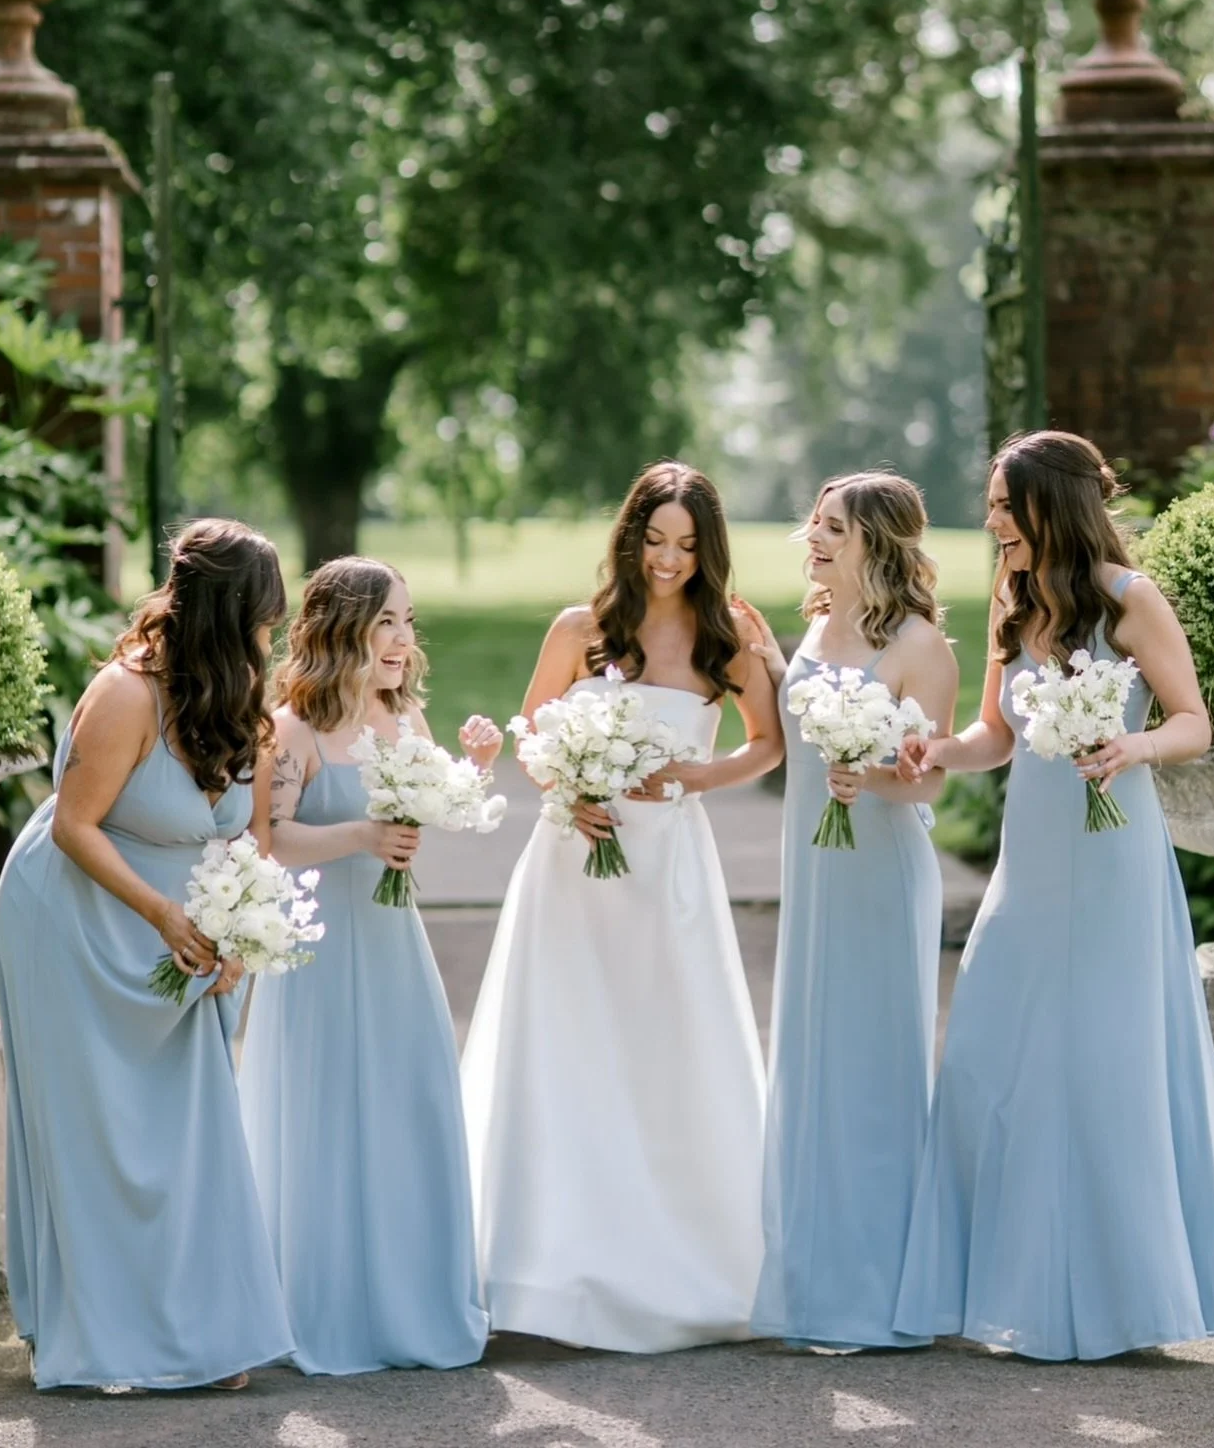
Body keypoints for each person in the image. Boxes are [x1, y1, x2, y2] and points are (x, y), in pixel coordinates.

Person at [893, 430, 1214, 1360]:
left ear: (1050, 507)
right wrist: (940, 751)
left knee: (1107, 1063)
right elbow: (995, 735)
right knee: (991, 1047)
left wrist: (1131, 746)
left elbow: (1192, 723)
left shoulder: (1128, 601)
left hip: (1113, 859)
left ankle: (1126, 1305)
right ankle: (1002, 1289)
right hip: (1033, 860)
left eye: (1003, 506)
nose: (990, 523)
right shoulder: (1013, 606)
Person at [462, 460, 783, 1352]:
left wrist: (694, 777)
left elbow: (766, 746)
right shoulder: (584, 628)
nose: (669, 560)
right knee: (567, 1044)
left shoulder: (731, 636)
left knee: (665, 1044)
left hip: (669, 871)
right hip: (574, 859)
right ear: (629, 536)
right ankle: (545, 1270)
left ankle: (682, 1258)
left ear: (708, 550)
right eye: (655, 540)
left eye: (686, 545)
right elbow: (530, 735)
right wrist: (570, 783)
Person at [0, 518, 294, 1391]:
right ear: (222, 613)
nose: (270, 638)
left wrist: (238, 932)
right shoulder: (126, 694)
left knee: (189, 1129)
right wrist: (166, 914)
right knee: (101, 1132)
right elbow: (76, 825)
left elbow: (243, 843)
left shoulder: (239, 696)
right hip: (79, 923)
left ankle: (201, 1330)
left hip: (181, 936)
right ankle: (100, 1335)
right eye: (262, 618)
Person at [239, 556, 495, 1374]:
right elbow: (268, 843)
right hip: (318, 955)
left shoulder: (404, 719)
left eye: (408, 621)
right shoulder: (294, 729)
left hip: (393, 947)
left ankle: (410, 1300)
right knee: (328, 1117)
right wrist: (360, 836)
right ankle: (331, 1309)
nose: (401, 639)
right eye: (386, 621)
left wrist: (472, 774)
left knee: (407, 1105)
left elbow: (432, 812)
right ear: (342, 628)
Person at [745, 471, 957, 1352]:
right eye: (814, 525)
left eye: (832, 527)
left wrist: (869, 776)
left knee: (873, 1061)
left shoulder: (919, 646)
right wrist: (764, 661)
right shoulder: (815, 626)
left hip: (880, 869)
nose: (814, 539)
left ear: (877, 539)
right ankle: (813, 1280)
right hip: (816, 870)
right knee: (814, 1056)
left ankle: (878, 1292)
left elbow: (935, 775)